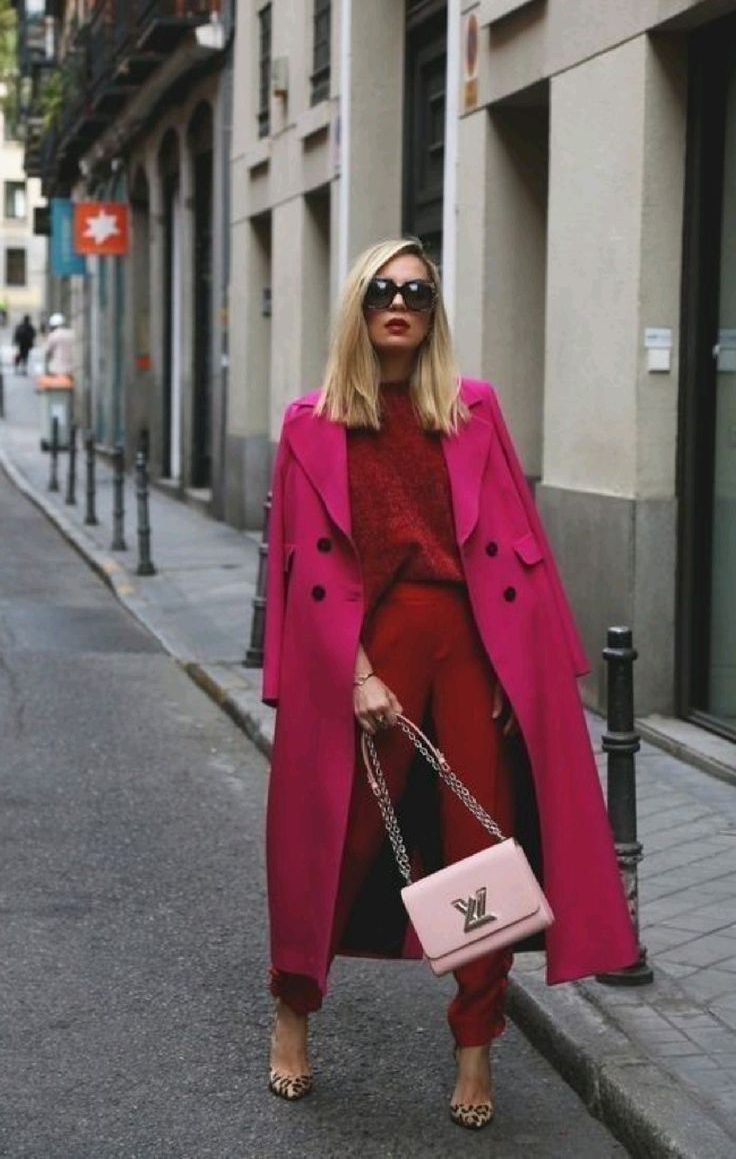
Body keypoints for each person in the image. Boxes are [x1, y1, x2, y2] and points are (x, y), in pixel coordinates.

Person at [262, 238, 638, 1129]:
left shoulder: (473, 409)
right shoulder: (309, 423)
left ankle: (476, 1042)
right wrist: (353, 672)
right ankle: (292, 1009)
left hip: (472, 646)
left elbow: (519, 542)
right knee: (337, 842)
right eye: (383, 291)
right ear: (357, 307)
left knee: (484, 846)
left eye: (418, 293)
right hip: (363, 647)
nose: (400, 304)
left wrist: (525, 664)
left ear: (434, 313)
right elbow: (293, 569)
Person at [44, 313, 75, 378]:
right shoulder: (71, 333)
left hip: (57, 369)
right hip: (71, 368)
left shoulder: (53, 335)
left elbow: (47, 351)